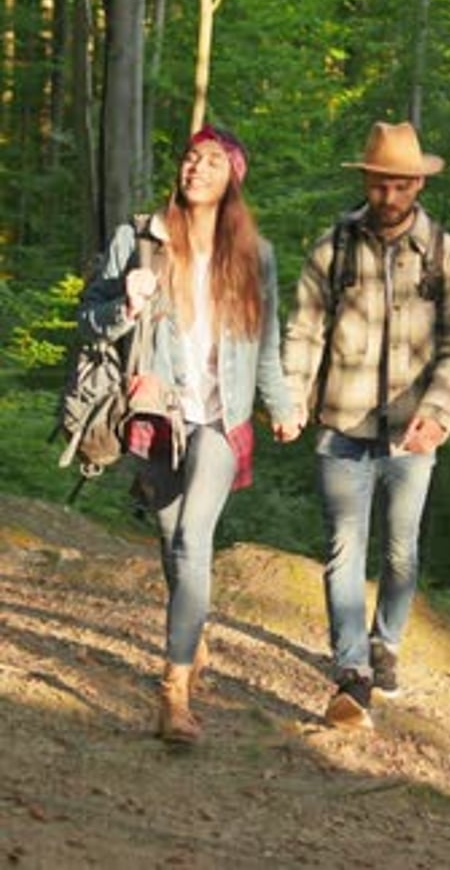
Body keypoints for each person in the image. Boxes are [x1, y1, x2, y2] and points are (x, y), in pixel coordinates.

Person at [78, 124, 300, 742]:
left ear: (232, 178)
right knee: (173, 539)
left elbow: (267, 344)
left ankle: (173, 691)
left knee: (194, 538)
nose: (194, 169)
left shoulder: (256, 256)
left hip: (221, 420)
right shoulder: (140, 239)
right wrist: (125, 302)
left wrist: (280, 403)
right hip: (158, 414)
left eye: (210, 162)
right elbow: (90, 322)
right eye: (189, 159)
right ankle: (192, 639)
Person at [282, 121, 450, 729]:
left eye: (399, 186)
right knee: (344, 548)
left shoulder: (446, 254)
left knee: (400, 551)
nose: (387, 197)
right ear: (365, 181)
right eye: (378, 185)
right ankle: (351, 670)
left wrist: (441, 412)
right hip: (341, 425)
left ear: (418, 183)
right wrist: (290, 397)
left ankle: (385, 641)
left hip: (413, 432)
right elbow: (304, 330)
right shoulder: (333, 248)